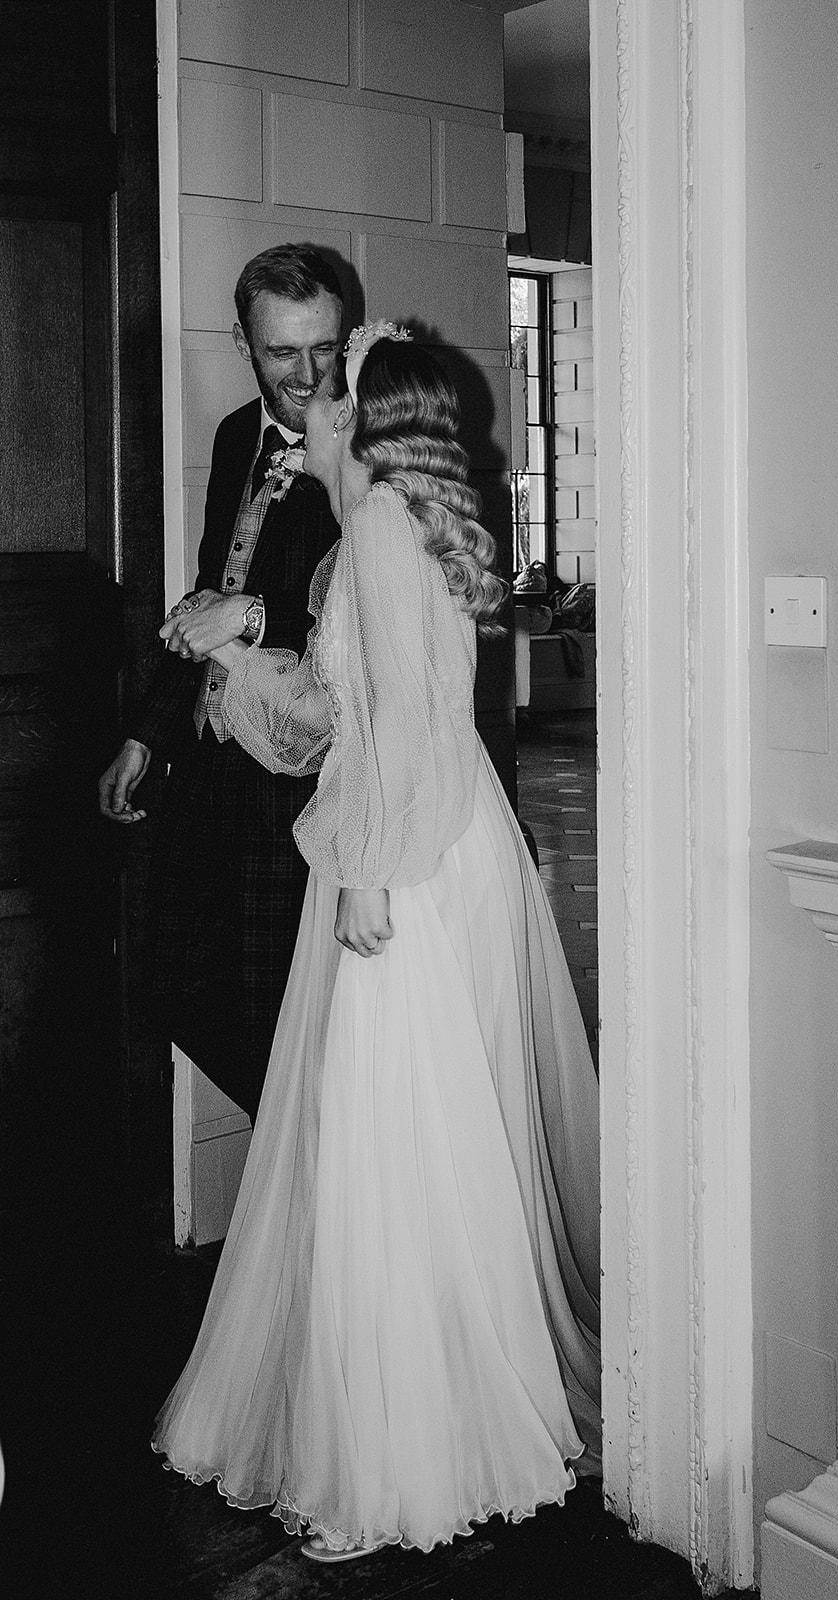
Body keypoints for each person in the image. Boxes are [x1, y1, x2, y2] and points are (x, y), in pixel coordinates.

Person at [152, 324, 601, 1562]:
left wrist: (367, 872)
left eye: (338, 391)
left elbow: (399, 727)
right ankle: (398, 1417)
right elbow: (344, 709)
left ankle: (398, 1459)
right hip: (424, 841)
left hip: (404, 857)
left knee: (384, 1145)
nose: (319, 407)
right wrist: (240, 654)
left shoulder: (389, 537)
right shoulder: (394, 529)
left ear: (372, 418)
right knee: (403, 1140)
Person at [97, 244, 345, 1117]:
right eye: (285, 352)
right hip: (210, 767)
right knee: (170, 982)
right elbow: (214, 592)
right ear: (244, 344)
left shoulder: (372, 447)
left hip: (302, 779)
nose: (311, 374)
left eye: (326, 347)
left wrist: (251, 619)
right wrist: (146, 733)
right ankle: (302, 1168)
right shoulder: (237, 432)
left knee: (285, 1019)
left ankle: (321, 1201)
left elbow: (378, 620)